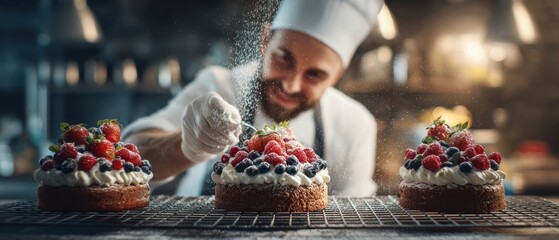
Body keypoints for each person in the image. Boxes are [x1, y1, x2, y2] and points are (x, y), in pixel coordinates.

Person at [123, 0, 383, 197]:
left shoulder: (355, 125)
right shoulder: (218, 87)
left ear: (337, 75)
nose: (290, 85)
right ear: (265, 40)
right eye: (283, 58)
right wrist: (185, 146)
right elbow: (130, 157)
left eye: (314, 75)